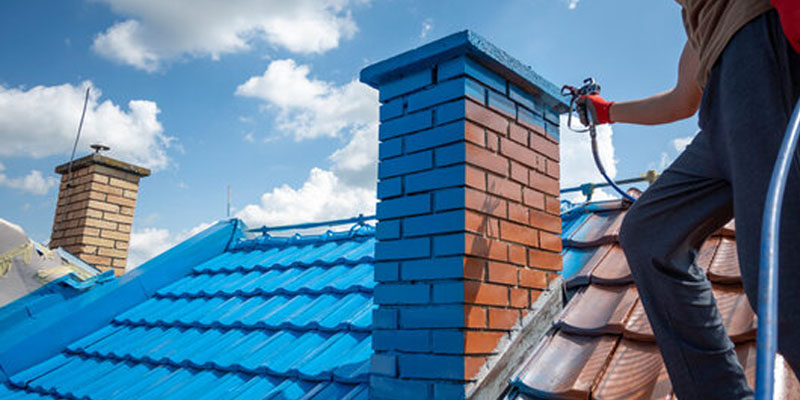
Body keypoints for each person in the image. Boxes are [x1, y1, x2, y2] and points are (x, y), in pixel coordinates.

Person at [577, 1, 800, 399]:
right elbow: (683, 99)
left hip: (762, 63)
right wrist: (607, 112)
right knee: (650, 233)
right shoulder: (701, 19)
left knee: (782, 282)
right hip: (720, 111)